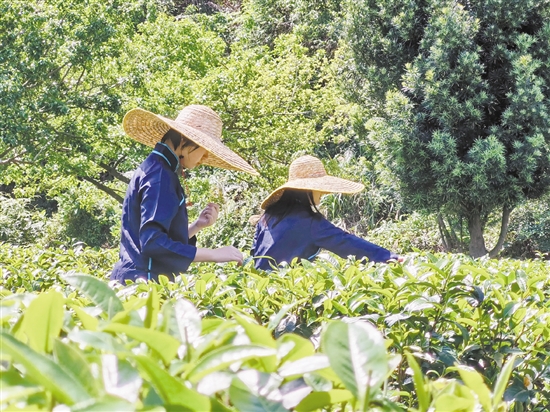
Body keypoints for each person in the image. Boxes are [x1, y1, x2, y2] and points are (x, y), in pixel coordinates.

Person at [111, 104, 258, 283]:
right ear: (183, 140)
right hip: (143, 282)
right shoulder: (161, 175)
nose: (205, 157)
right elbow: (152, 242)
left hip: (135, 278)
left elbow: (158, 238)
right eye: (204, 148)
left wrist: (197, 226)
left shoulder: (157, 168)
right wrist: (214, 254)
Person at [251, 155, 400, 270]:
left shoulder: (268, 216)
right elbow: (346, 242)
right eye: (319, 188)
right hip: (283, 289)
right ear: (306, 190)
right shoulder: (309, 222)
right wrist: (388, 257)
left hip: (257, 288)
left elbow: (255, 253)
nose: (322, 193)